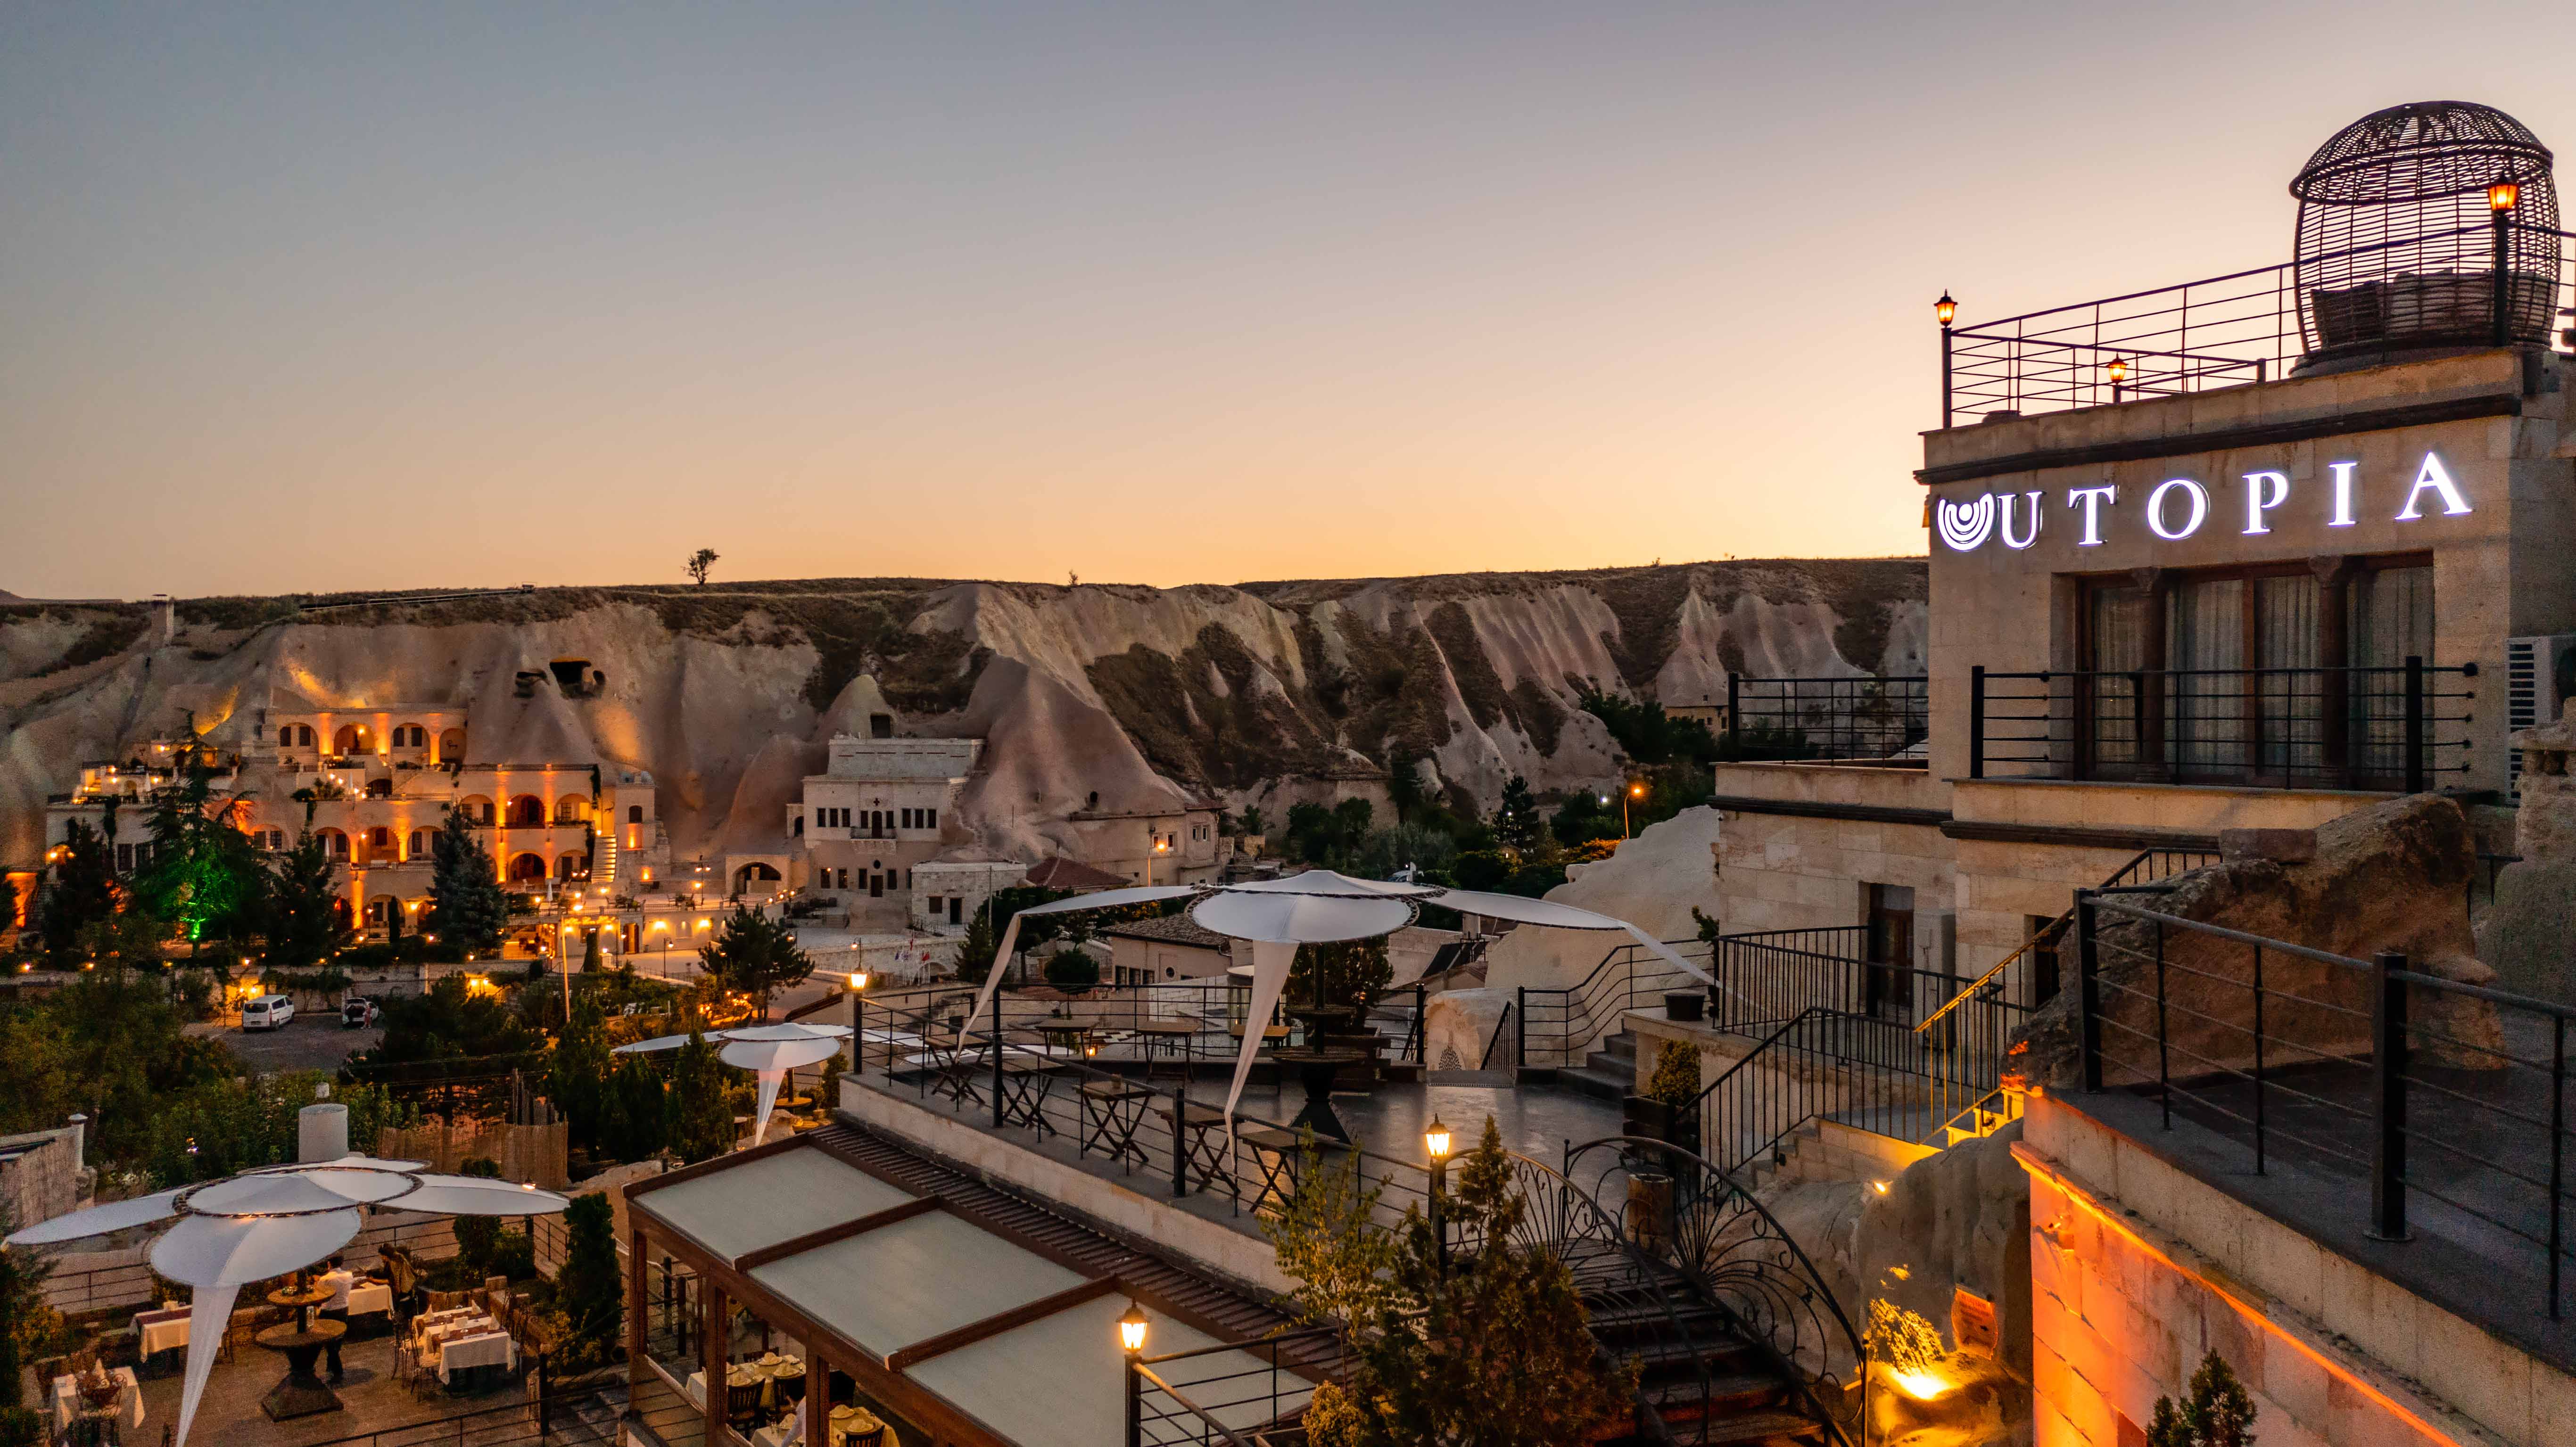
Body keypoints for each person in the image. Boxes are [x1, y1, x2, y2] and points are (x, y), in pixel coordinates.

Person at [317, 1254, 352, 1383]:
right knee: (337, 1340)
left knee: (329, 1342)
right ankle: (331, 1365)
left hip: (329, 1312)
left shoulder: (325, 1279)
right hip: (343, 1310)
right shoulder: (349, 1275)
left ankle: (337, 1369)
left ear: (329, 1264)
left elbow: (319, 1295)